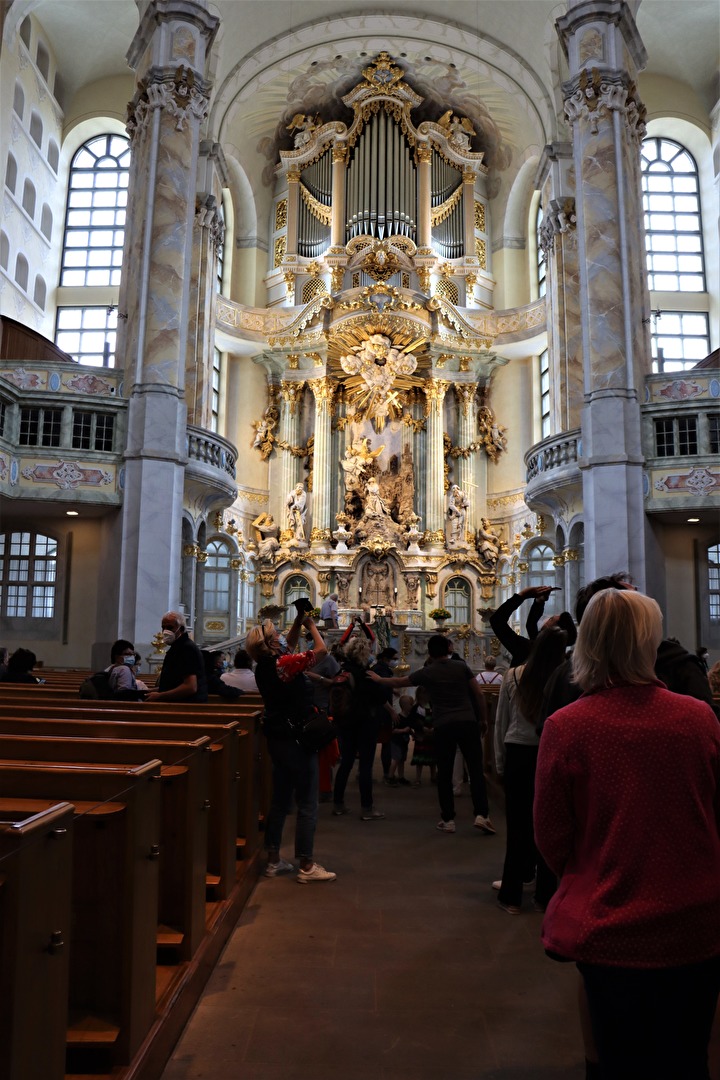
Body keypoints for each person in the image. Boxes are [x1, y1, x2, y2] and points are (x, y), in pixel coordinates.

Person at [534, 588, 720, 1080]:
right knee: (688, 1059)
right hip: (696, 923)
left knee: (615, 1061)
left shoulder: (568, 726)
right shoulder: (698, 718)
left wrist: (589, 872)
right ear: (651, 642)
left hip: (608, 924)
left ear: (587, 642)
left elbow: (551, 835)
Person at [369, 634, 494, 835]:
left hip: (444, 725)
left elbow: (400, 681)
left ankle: (448, 819)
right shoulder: (461, 666)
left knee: (444, 772)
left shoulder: (428, 671)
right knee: (475, 769)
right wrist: (483, 719)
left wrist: (379, 679)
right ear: (449, 649)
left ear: (429, 652)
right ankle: (482, 815)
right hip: (468, 721)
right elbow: (478, 694)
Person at [246, 608, 336, 883]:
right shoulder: (283, 664)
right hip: (296, 739)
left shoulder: (267, 664)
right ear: (271, 643)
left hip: (278, 738)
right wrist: (311, 624)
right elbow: (321, 651)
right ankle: (306, 865)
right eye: (278, 635)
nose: (283, 637)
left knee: (280, 800)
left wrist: (298, 621)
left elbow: (291, 644)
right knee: (307, 802)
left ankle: (274, 860)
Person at [492, 626, 568, 915]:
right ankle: (545, 895)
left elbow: (501, 722)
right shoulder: (565, 678)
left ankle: (511, 896)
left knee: (517, 827)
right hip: (549, 752)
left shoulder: (513, 675)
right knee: (548, 825)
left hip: (518, 753)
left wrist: (500, 763)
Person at [332, 619, 387, 820]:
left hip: (344, 723)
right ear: (365, 654)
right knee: (365, 765)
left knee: (346, 762)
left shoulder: (342, 670)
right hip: (365, 723)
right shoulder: (366, 675)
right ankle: (367, 808)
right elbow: (380, 698)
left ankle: (338, 804)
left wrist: (355, 626)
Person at [146, 611, 208, 702]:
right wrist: (153, 691)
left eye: (170, 627)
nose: (165, 631)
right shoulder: (178, 647)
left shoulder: (187, 648)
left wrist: (160, 696)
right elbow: (174, 684)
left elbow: (190, 687)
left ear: (181, 629)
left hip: (186, 706)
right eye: (163, 627)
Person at [489, 585, 557, 665]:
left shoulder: (528, 649)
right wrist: (539, 602)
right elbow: (531, 625)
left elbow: (497, 620)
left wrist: (522, 595)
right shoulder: (557, 657)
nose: (547, 619)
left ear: (551, 629)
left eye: (551, 619)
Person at [409, 685, 436, 784]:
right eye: (425, 693)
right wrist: (421, 728)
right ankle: (418, 778)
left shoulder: (433, 706)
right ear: (419, 694)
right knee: (419, 758)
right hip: (421, 736)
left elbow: (437, 718)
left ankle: (433, 776)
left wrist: (434, 728)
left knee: (433, 758)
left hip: (432, 735)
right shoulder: (415, 708)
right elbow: (412, 721)